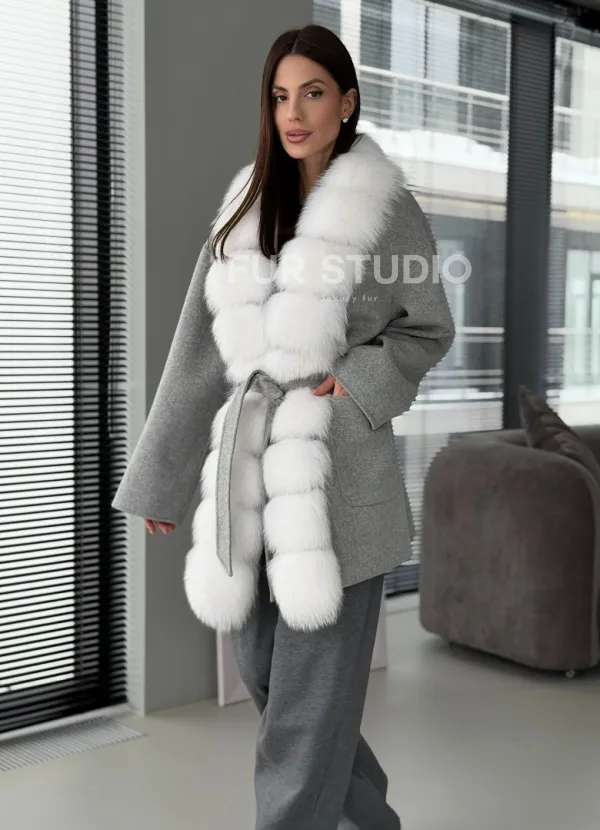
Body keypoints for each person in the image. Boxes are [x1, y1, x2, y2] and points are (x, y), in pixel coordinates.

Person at [112, 23, 455, 830]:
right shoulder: (245, 209)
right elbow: (198, 353)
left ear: (347, 102)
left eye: (312, 93)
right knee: (274, 680)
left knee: (305, 713)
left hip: (342, 491)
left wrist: (357, 380)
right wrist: (161, 477)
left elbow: (429, 328)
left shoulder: (387, 211)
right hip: (251, 483)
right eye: (279, 96)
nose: (293, 113)